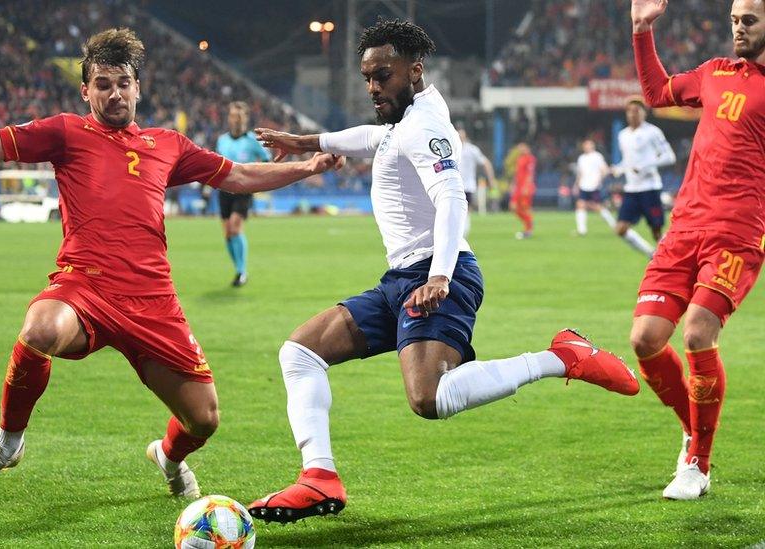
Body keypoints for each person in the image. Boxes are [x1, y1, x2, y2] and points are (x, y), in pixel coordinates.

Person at [0, 28, 343, 498]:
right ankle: (7, 444)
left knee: (204, 419)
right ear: (86, 91)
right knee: (39, 329)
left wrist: (305, 167)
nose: (114, 94)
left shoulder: (167, 144)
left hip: (153, 300)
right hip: (84, 287)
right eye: (102, 85)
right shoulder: (65, 133)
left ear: (137, 88)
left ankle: (168, 457)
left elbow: (237, 176)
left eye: (122, 84)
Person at [248, 19, 639, 523]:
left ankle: (560, 357)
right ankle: (318, 477)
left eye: (381, 76)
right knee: (301, 352)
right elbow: (371, 138)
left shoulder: (425, 125)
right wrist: (309, 141)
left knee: (430, 398)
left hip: (436, 277)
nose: (372, 87)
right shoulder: (406, 118)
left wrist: (440, 275)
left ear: (414, 70)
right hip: (401, 279)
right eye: (367, 77)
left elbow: (452, 197)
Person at [629, 0, 765, 500]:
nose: (738, 28)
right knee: (645, 339)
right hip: (683, 228)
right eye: (734, 20)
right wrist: (642, 31)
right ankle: (694, 428)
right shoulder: (713, 73)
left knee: (697, 333)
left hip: (736, 233)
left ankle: (697, 464)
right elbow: (656, 92)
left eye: (749, 20)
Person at [214, 101, 272, 287]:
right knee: (228, 233)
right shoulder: (222, 140)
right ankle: (238, 269)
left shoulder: (253, 141)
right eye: (233, 116)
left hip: (244, 190)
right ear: (229, 118)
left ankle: (242, 271)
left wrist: (257, 179)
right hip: (224, 190)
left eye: (239, 117)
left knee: (235, 227)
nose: (236, 120)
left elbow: (267, 161)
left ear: (245, 119)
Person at [611, 98, 676, 257]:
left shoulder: (652, 132)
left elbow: (670, 157)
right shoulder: (623, 135)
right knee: (620, 229)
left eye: (636, 111)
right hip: (632, 189)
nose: (633, 114)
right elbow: (627, 160)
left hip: (650, 188)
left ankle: (667, 259)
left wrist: (646, 166)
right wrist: (618, 168)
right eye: (630, 111)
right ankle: (651, 255)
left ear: (643, 113)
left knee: (656, 231)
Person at [573, 139, 617, 236]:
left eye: (589, 145)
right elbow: (580, 173)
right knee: (580, 205)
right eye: (585, 145)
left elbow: (604, 170)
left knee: (597, 207)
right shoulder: (581, 158)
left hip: (594, 186)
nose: (586, 147)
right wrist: (576, 185)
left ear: (592, 146)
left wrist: (599, 180)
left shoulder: (597, 156)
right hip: (583, 185)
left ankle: (615, 225)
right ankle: (582, 230)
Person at [457, 128, 496, 232]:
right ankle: (460, 230)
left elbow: (486, 163)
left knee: (466, 209)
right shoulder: (451, 148)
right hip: (454, 184)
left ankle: (464, 231)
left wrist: (491, 180)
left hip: (468, 185)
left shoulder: (472, 149)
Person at [511, 142, 536, 239]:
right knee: (513, 207)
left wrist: (526, 187)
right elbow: (517, 174)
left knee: (525, 208)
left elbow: (530, 174)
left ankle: (528, 230)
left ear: (527, 148)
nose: (520, 150)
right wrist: (513, 185)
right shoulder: (519, 159)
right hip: (518, 187)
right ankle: (529, 221)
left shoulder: (530, 159)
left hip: (526, 188)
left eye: (522, 148)